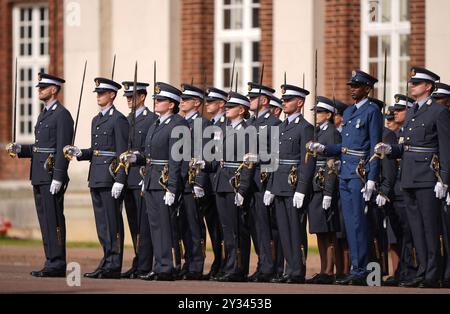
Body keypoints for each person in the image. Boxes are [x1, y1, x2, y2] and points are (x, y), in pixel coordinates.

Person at [375, 67, 450, 288]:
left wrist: (444, 179)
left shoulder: (439, 112)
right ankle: (423, 270)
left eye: (416, 83)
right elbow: (406, 146)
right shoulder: (413, 112)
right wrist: (389, 149)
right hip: (407, 176)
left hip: (427, 177)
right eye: (412, 83)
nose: (412, 86)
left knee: (429, 227)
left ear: (428, 87)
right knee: (416, 229)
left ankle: (433, 273)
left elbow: (445, 148)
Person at [309, 70, 382, 286]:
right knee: (349, 224)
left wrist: (371, 177)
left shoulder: (372, 112)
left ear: (367, 89)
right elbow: (345, 146)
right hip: (346, 173)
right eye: (351, 85)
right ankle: (356, 269)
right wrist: (325, 148)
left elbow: (376, 147)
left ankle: (363, 271)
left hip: (360, 173)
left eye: (357, 86)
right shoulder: (349, 112)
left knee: (360, 223)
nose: (352, 89)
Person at [7, 73, 73, 278]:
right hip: (38, 174)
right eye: (39, 87)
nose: (39, 90)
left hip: (51, 174)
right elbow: (40, 147)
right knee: (45, 220)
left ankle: (57, 262)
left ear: (54, 89)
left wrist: (59, 176)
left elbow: (63, 147)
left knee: (53, 219)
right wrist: (21, 149)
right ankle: (50, 259)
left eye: (43, 87)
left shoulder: (62, 115)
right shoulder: (44, 114)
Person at [64, 77, 129, 279]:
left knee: (112, 222)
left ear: (112, 95)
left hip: (110, 177)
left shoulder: (118, 119)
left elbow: (122, 152)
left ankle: (114, 263)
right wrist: (80, 153)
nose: (98, 96)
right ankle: (106, 259)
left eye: (102, 93)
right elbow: (96, 151)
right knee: (102, 224)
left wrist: (120, 179)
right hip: (96, 176)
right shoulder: (97, 119)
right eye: (97, 93)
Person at [264, 83, 315, 284]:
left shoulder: (306, 128)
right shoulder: (280, 126)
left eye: (288, 100)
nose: (284, 103)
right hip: (279, 184)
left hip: (294, 185)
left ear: (299, 102)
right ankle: (288, 269)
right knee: (284, 230)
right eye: (283, 100)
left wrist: (302, 188)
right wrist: (270, 187)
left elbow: (307, 161)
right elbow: (274, 159)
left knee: (295, 229)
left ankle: (297, 270)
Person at [120, 81, 157, 279]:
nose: (128, 100)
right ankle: (138, 261)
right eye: (126, 97)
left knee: (145, 225)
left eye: (132, 97)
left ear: (142, 97)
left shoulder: (151, 119)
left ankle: (144, 264)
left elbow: (151, 150)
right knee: (134, 223)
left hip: (142, 176)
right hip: (127, 177)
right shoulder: (127, 119)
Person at [305, 97, 341, 285]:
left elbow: (333, 164)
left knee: (329, 232)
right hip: (314, 186)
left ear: (328, 115)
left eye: (320, 112)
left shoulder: (332, 134)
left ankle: (329, 271)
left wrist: (328, 191)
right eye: (315, 112)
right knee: (319, 231)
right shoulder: (317, 132)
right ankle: (322, 269)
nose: (316, 115)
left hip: (325, 185)